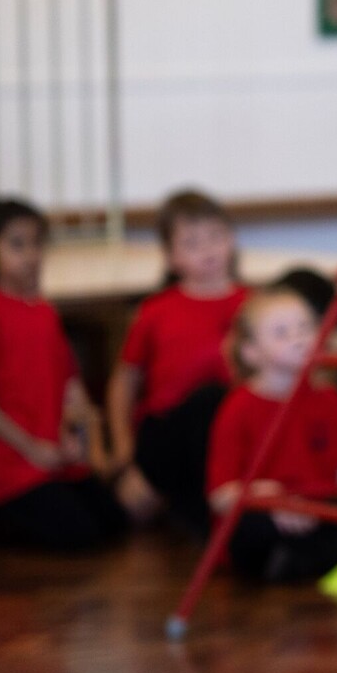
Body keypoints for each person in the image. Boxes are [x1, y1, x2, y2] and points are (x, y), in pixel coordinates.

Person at [0, 197, 128, 550]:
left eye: (36, 244)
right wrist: (30, 447)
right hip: (10, 455)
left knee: (114, 522)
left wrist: (77, 436)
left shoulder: (44, 310)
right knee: (77, 537)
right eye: (17, 245)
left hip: (50, 452)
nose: (31, 255)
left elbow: (68, 383)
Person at [206, 286, 337, 583]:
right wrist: (268, 498)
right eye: (282, 333)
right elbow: (221, 496)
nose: (299, 338)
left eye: (305, 327)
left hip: (321, 509)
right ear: (250, 352)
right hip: (275, 518)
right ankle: (336, 554)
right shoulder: (237, 408)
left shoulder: (327, 397)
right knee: (249, 528)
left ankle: (310, 560)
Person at [105, 189, 247, 532]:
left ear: (231, 241)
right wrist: (124, 450)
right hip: (166, 433)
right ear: (171, 258)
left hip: (229, 433)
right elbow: (124, 382)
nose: (208, 250)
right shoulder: (155, 311)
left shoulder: (252, 306)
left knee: (220, 403)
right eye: (192, 243)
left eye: (216, 237)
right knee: (207, 400)